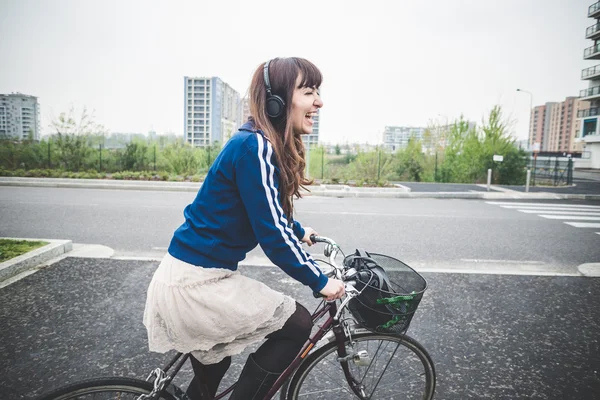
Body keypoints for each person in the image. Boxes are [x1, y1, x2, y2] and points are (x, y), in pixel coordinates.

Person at [143, 57, 345, 400]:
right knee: (297, 324)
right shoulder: (256, 147)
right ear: (277, 100)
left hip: (187, 276)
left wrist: (297, 230)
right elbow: (271, 236)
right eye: (309, 92)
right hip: (196, 285)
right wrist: (321, 281)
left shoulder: (255, 142)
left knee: (214, 369)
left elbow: (264, 210)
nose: (319, 102)